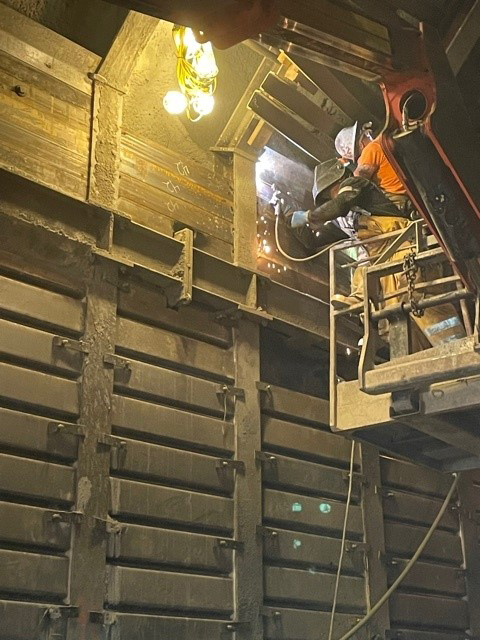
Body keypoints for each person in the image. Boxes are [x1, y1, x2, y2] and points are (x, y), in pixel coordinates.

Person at [288, 158, 465, 347]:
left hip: (406, 250)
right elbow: (313, 241)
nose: (332, 196)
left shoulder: (357, 185)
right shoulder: (346, 220)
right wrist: (290, 219)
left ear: (340, 179)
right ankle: (424, 368)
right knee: (396, 318)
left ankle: (461, 352)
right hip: (385, 266)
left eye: (331, 191)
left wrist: (308, 216)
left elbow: (339, 204)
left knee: (425, 303)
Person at [335, 122, 412, 215]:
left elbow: (357, 181)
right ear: (360, 144)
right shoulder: (374, 146)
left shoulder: (371, 149)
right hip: (407, 192)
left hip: (401, 198)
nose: (367, 134)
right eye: (363, 134)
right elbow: (358, 178)